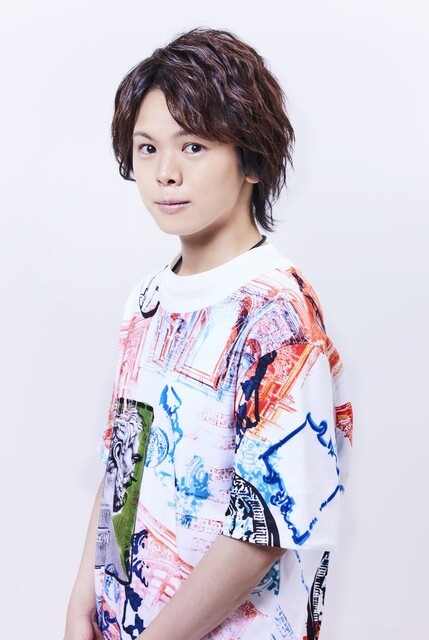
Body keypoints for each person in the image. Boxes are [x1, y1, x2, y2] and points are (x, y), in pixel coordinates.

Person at [64, 27, 353, 640]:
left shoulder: (278, 312)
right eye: (147, 148)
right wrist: (85, 595)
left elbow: (265, 528)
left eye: (193, 146)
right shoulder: (146, 300)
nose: (165, 173)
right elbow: (124, 463)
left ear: (251, 158)